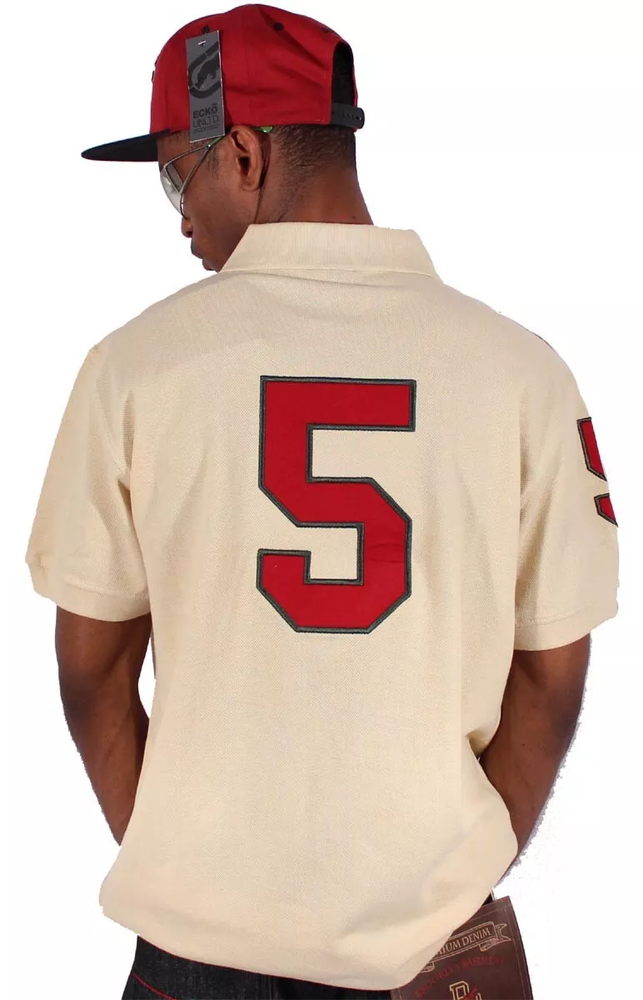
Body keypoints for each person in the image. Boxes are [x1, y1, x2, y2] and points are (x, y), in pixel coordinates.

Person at [24, 4, 619, 1000]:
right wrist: (447, 881)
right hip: (432, 955)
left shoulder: (133, 369)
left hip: (196, 959)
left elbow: (92, 671)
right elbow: (553, 673)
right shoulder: (522, 373)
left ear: (244, 154)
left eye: (176, 174)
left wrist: (190, 875)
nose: (178, 216)